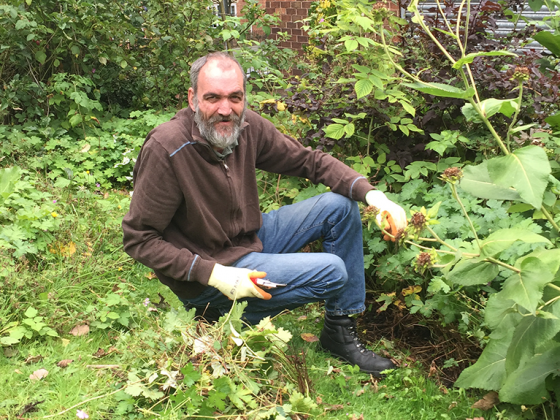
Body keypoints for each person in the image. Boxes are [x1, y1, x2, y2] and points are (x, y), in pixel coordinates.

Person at [122, 52, 407, 377]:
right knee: (332, 271)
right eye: (212, 97)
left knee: (340, 207)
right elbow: (139, 240)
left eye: (235, 97)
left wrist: (376, 197)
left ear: (244, 97)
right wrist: (213, 275)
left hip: (248, 238)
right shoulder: (167, 147)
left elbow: (309, 161)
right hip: (212, 268)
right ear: (192, 98)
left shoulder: (247, 127)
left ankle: (338, 334)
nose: (225, 109)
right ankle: (217, 314)